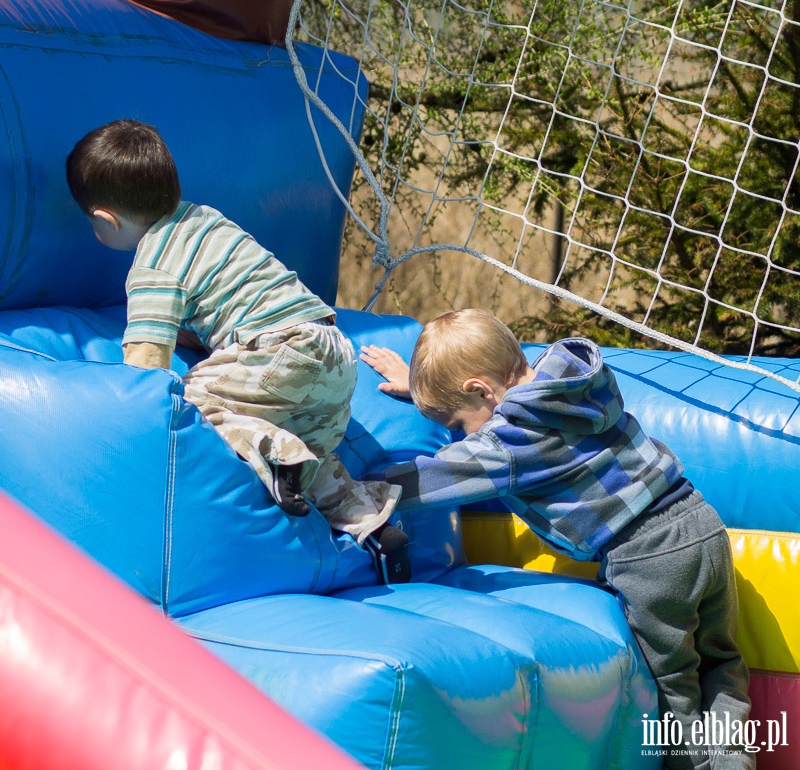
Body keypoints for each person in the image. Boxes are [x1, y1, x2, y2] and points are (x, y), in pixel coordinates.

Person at [360, 308, 753, 769]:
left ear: (481, 390)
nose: (463, 435)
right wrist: (427, 390)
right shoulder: (576, 379)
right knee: (720, 660)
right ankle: (735, 758)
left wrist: (350, 491)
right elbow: (492, 402)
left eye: (459, 425)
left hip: (649, 556)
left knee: (672, 681)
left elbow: (438, 477)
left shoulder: (510, 443)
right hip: (700, 522)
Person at [66, 118, 409, 584]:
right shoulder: (204, 218)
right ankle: (373, 524)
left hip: (280, 352)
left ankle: (275, 452)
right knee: (313, 462)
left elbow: (145, 369)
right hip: (332, 351)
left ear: (105, 220)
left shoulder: (152, 267)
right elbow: (227, 302)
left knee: (190, 402)